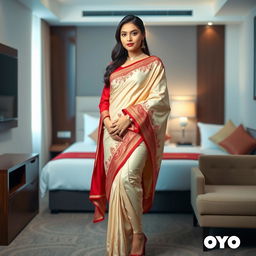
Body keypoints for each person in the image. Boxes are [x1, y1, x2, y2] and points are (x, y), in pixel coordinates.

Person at [90, 14, 170, 256]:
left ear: (143, 34)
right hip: (111, 134)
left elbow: (159, 99)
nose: (129, 38)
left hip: (138, 130)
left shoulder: (154, 64)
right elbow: (104, 101)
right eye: (124, 34)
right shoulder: (113, 68)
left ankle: (137, 234)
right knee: (117, 187)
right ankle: (122, 244)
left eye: (133, 33)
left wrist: (128, 117)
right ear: (119, 38)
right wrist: (107, 121)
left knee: (127, 179)